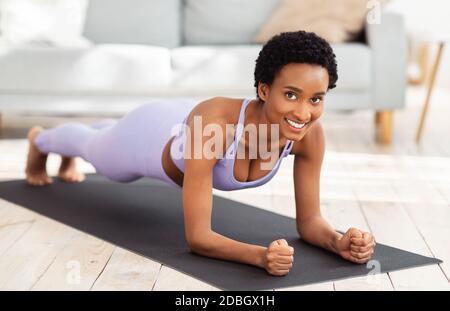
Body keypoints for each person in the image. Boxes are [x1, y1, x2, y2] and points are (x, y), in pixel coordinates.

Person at [25, 31, 376, 276]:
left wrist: (337, 241)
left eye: (316, 99)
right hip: (147, 137)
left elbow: (309, 222)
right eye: (291, 95)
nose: (303, 113)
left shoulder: (308, 136)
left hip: (185, 120)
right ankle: (41, 141)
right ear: (264, 89)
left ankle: (100, 129)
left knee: (101, 137)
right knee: (98, 155)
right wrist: (259, 256)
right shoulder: (217, 129)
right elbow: (198, 238)